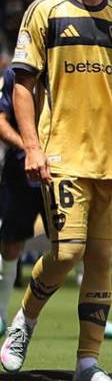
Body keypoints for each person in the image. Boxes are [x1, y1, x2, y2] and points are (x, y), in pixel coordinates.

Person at [0, 0, 112, 381]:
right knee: (67, 251)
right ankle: (25, 319)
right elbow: (22, 87)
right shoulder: (44, 12)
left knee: (101, 259)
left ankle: (88, 363)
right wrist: (32, 146)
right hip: (63, 155)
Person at [1, 63, 47, 332]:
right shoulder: (13, 74)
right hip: (21, 170)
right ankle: (1, 315)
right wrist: (30, 149)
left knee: (73, 244)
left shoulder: (67, 64)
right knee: (10, 243)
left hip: (62, 168)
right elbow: (0, 121)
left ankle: (95, 318)